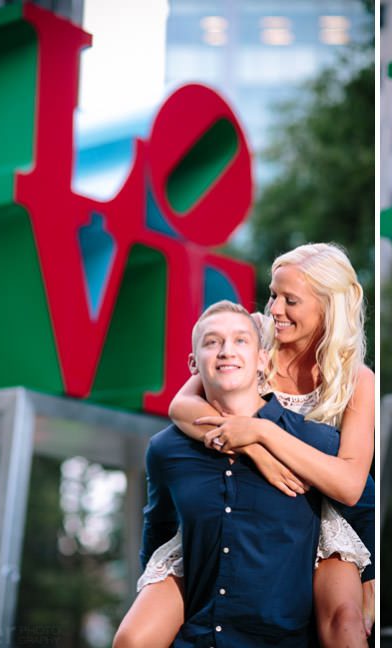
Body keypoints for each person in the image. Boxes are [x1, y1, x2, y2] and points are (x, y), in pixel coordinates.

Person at [114, 243, 375, 648]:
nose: (274, 309)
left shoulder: (357, 380)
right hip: (238, 485)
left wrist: (263, 435)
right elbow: (182, 406)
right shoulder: (251, 338)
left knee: (347, 625)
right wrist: (252, 451)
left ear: (327, 307)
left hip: (322, 508)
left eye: (290, 300)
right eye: (273, 294)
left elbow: (350, 486)